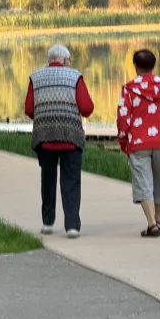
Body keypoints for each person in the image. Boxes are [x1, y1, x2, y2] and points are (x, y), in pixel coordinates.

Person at [25, 44, 94, 239]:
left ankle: (47, 223)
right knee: (70, 181)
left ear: (50, 60)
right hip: (70, 136)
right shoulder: (75, 77)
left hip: (45, 138)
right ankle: (72, 226)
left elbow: (29, 109)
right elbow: (87, 108)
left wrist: (46, 117)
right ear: (64, 60)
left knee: (47, 180)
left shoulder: (35, 77)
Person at [116, 49, 160, 238]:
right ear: (153, 66)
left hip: (138, 141)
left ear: (135, 66)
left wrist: (124, 141)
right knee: (159, 180)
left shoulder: (129, 89)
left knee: (143, 182)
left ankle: (152, 223)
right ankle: (159, 218)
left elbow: (123, 118)